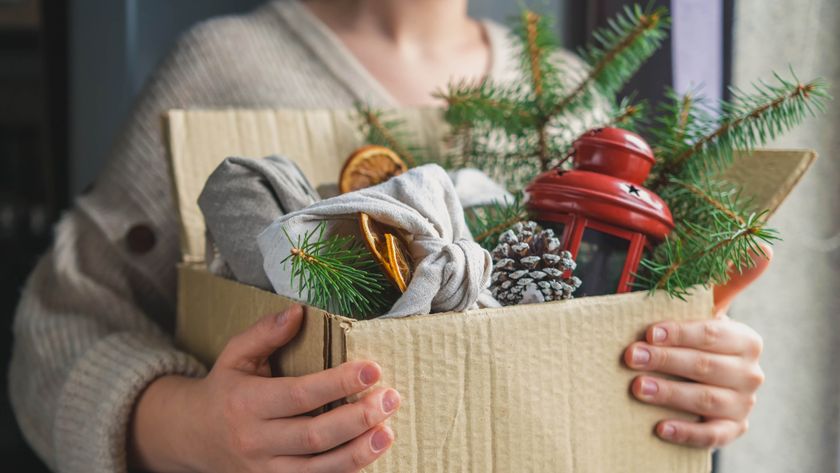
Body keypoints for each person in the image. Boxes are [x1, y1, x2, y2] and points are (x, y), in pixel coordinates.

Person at [8, 1, 765, 472]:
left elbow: (631, 340)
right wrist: (188, 427)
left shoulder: (566, 98)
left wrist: (695, 378)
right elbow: (55, 335)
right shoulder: (224, 70)